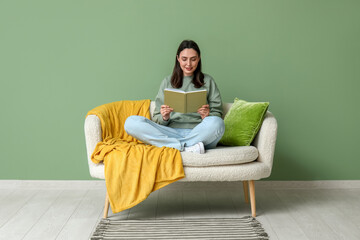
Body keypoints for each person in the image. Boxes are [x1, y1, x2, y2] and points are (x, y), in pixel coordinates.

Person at [124, 40, 225, 154]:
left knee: (218, 123)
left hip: (199, 132)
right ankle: (187, 148)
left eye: (193, 59)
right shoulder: (167, 81)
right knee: (130, 122)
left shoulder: (208, 81)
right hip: (170, 132)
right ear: (178, 58)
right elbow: (158, 118)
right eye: (184, 59)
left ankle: (175, 146)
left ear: (199, 58)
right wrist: (165, 117)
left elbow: (217, 114)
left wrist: (206, 116)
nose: (188, 64)